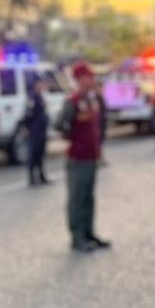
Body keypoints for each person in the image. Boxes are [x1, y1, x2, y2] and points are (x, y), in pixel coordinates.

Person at [57, 62, 110, 252]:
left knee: (88, 197)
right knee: (77, 198)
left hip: (91, 156)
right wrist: (73, 136)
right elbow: (60, 124)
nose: (92, 80)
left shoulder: (91, 99)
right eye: (88, 77)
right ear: (79, 79)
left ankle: (89, 233)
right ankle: (77, 237)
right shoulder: (73, 101)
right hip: (77, 158)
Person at [23, 77, 51, 186]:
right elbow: (28, 113)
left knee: (40, 154)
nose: (43, 86)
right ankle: (32, 178)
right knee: (33, 154)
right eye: (41, 84)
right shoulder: (33, 97)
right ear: (36, 84)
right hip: (34, 129)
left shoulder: (40, 96)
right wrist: (26, 127)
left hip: (41, 129)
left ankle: (41, 176)